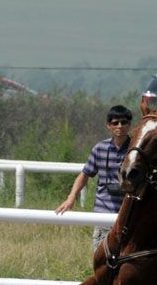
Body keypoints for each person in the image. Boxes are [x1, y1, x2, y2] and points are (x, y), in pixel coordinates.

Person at [55, 104, 133, 252]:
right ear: (108, 126)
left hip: (129, 213)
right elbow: (84, 175)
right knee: (101, 259)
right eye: (115, 122)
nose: (120, 126)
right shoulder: (100, 148)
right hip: (103, 213)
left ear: (129, 125)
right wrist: (71, 198)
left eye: (124, 122)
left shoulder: (136, 149)